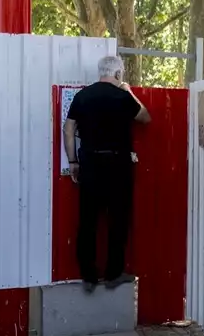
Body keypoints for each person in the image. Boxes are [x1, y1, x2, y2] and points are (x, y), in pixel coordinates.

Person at [63, 57, 151, 291]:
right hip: (117, 163)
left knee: (88, 219)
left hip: (90, 162)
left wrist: (73, 161)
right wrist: (129, 91)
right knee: (118, 218)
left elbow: (68, 128)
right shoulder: (122, 97)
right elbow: (145, 117)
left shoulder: (82, 96)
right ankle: (113, 274)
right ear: (119, 74)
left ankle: (89, 277)